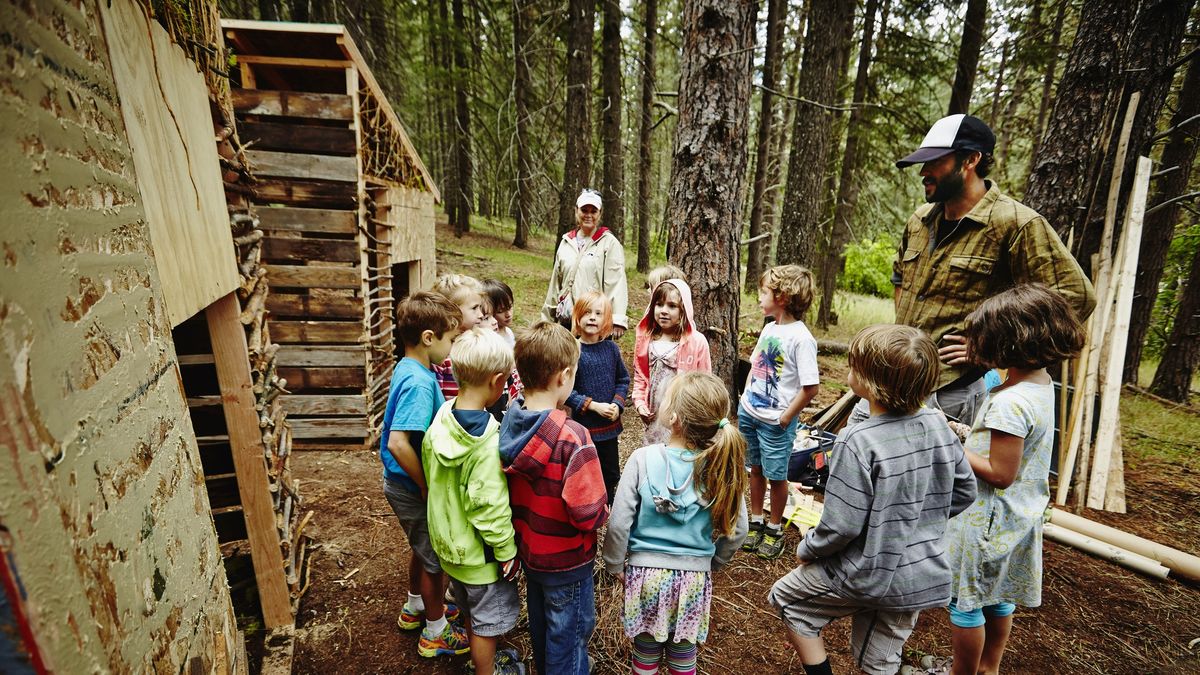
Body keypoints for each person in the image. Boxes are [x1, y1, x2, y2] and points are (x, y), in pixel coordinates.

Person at [768, 324, 977, 675]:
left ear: (870, 383)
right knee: (877, 659)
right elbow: (965, 491)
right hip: (920, 574)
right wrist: (916, 523)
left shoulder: (857, 440)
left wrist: (808, 550)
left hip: (867, 572)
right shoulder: (939, 425)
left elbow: (841, 527)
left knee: (789, 600)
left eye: (854, 367)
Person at [889, 113, 1094, 427]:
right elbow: (900, 278)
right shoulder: (920, 220)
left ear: (971, 159)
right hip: (896, 378)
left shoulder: (1015, 223)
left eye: (935, 163)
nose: (924, 172)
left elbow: (1075, 297)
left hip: (949, 393)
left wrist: (992, 352)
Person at [934, 285, 1086, 675]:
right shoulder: (1038, 383)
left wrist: (948, 442)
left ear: (1010, 342)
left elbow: (1001, 474)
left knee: (965, 602)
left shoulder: (1008, 402)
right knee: (997, 594)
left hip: (984, 518)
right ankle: (990, 668)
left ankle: (962, 672)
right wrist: (968, 434)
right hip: (1017, 515)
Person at [603, 371, 749, 675]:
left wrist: (615, 563)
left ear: (674, 418)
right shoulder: (722, 465)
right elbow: (740, 528)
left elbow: (618, 523)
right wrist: (715, 561)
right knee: (684, 652)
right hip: (693, 578)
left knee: (645, 651)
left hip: (645, 575)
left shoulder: (642, 459)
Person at [499, 322, 610, 675]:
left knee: (543, 627)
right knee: (571, 633)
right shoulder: (573, 437)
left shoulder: (509, 422)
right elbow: (587, 512)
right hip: (567, 561)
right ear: (564, 377)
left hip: (531, 554)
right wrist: (603, 511)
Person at [422, 328, 525, 675]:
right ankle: (486, 671)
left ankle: (480, 661)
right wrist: (507, 551)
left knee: (467, 607)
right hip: (480, 557)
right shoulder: (486, 442)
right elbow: (489, 507)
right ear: (498, 382)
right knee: (485, 622)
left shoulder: (441, 417)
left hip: (449, 546)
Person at [380, 291, 467, 658]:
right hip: (408, 484)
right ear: (429, 338)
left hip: (400, 483)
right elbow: (400, 443)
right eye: (450, 338)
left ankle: (417, 605)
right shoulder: (419, 383)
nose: (452, 347)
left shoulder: (411, 368)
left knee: (421, 547)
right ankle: (435, 632)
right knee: (435, 558)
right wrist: (427, 485)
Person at [738, 265, 820, 560]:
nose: (759, 297)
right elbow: (755, 366)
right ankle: (757, 520)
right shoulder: (769, 329)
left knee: (777, 475)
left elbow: (811, 387)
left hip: (776, 422)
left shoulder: (802, 338)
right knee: (755, 469)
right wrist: (745, 398)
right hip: (750, 413)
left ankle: (774, 529)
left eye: (764, 292)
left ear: (782, 297)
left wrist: (786, 417)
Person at [566, 291, 630, 503]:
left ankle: (608, 504)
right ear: (577, 317)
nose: (592, 317)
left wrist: (617, 405)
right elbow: (567, 391)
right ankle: (587, 503)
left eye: (598, 313)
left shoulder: (611, 349)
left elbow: (622, 380)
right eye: (586, 313)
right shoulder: (573, 351)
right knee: (586, 469)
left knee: (610, 471)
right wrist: (592, 406)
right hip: (584, 428)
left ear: (606, 319)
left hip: (609, 428)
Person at [632, 278, 711, 447]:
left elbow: (705, 383)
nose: (664, 311)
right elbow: (640, 376)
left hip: (683, 416)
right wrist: (639, 403)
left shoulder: (697, 341)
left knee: (679, 454)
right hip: (654, 415)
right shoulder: (646, 339)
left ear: (684, 310)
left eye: (672, 306)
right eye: (659, 304)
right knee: (655, 458)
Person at [542, 188, 629, 339]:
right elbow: (556, 283)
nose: (588, 215)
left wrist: (618, 318)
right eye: (584, 210)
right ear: (576, 211)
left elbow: (616, 281)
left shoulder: (608, 243)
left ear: (599, 213)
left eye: (593, 211)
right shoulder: (566, 242)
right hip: (567, 320)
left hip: (594, 320)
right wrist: (547, 319)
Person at [431, 274, 486, 402]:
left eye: (480, 307)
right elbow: (437, 397)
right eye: (474, 308)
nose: (481, 314)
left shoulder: (476, 341)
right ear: (452, 310)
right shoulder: (442, 351)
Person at [482, 279, 516, 348]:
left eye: (510, 307)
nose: (508, 314)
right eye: (500, 311)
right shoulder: (490, 341)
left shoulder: (508, 331)